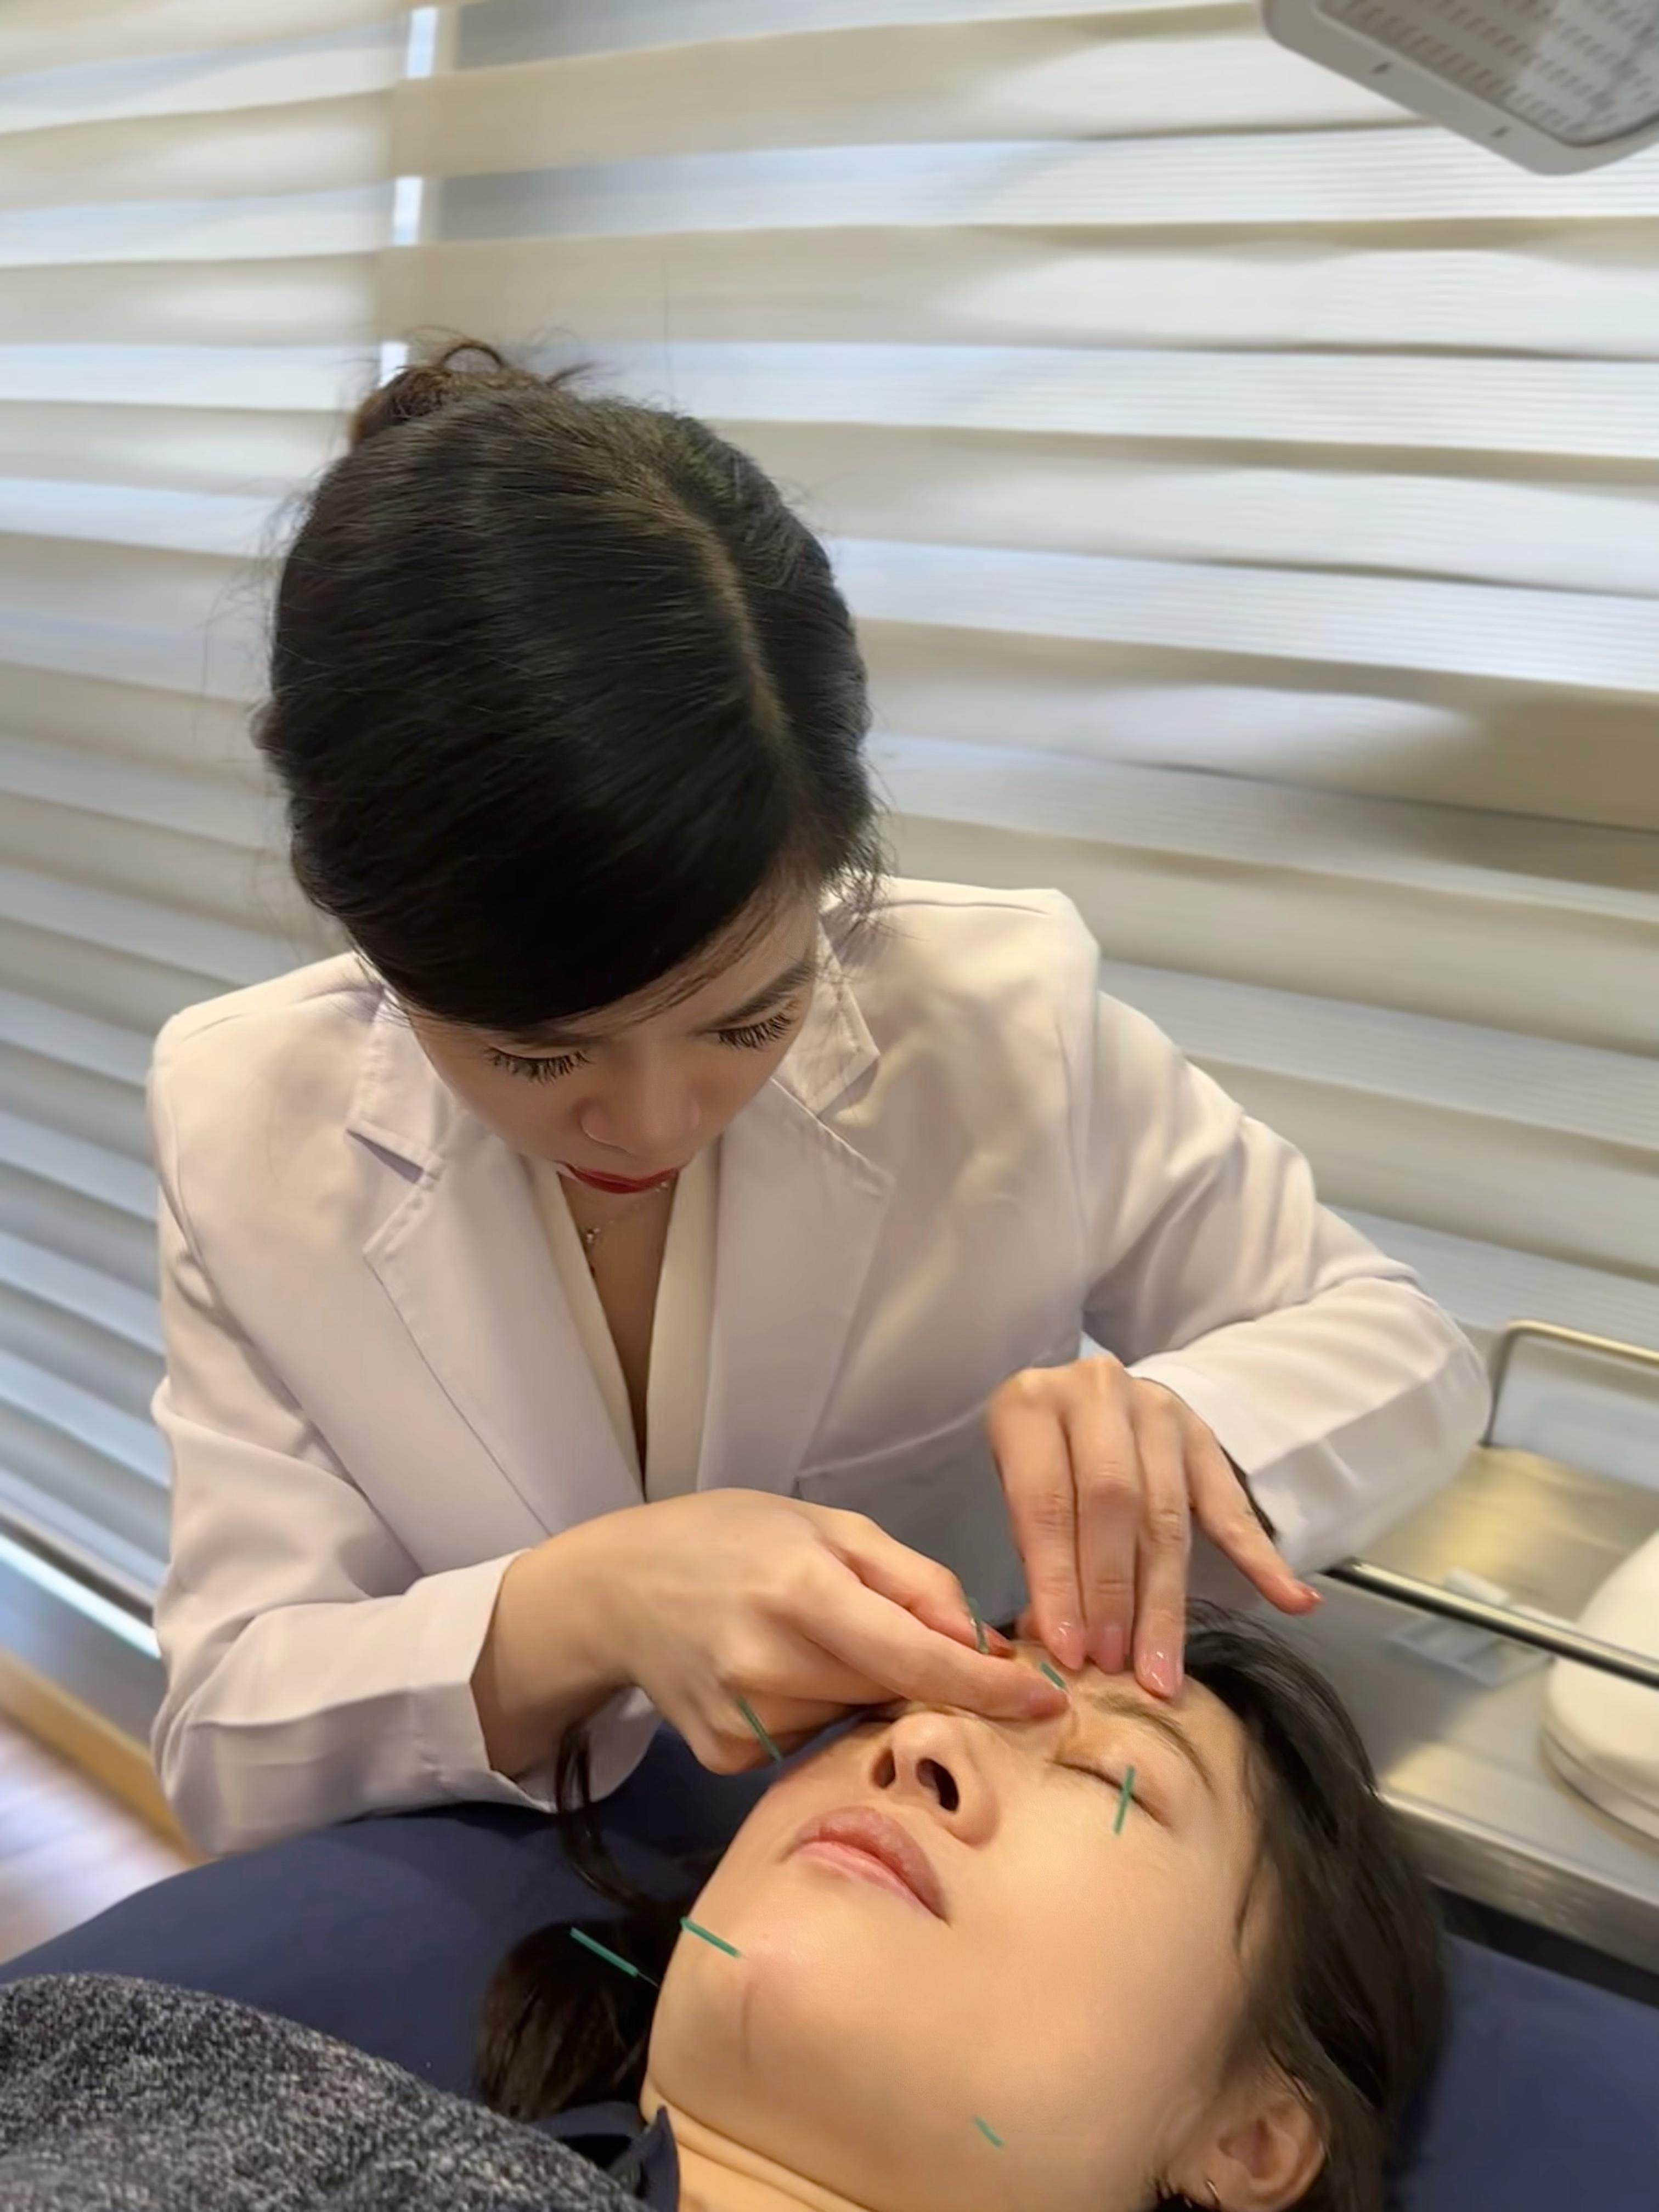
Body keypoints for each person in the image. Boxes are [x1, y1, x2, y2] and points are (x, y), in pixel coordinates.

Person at [148, 339, 1488, 1855]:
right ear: (362, 927)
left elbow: (1406, 1350)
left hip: (946, 1856)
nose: (653, 1123)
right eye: (537, 1056)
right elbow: (227, 1737)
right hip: (528, 1902)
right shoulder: (245, 1119)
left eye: (752, 1015)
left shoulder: (999, 1021)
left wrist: (1184, 1426)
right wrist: (578, 1610)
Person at [0, 1616, 1444, 2212]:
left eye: (1111, 1776)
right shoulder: (154, 2064)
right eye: (906, 1708)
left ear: (1253, 2139)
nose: (914, 1747)